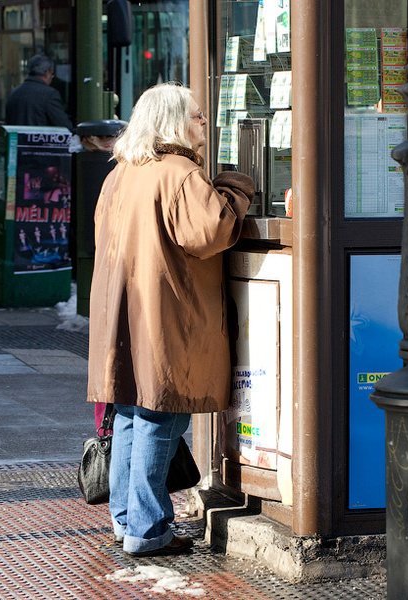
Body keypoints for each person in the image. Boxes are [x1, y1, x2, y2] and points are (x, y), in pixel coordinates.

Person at [86, 83, 254, 558]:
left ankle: (125, 520)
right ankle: (148, 528)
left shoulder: (121, 172)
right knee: (161, 413)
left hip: (122, 311)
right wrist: (237, 187)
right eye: (197, 116)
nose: (204, 123)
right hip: (163, 314)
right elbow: (212, 232)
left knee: (131, 412)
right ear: (174, 123)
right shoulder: (179, 172)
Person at [5, 54, 74, 131]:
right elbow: (64, 126)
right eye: (52, 74)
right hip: (39, 142)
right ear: (47, 73)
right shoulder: (50, 95)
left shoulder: (14, 93)